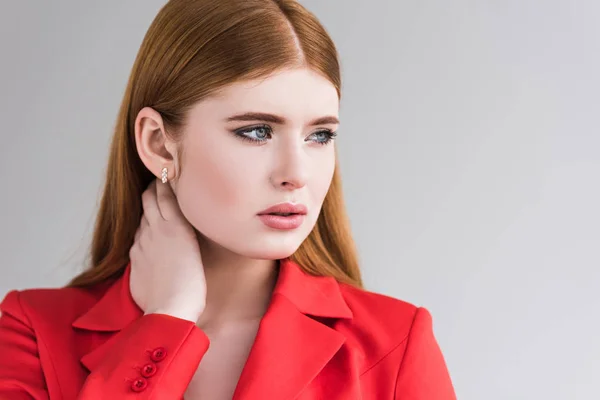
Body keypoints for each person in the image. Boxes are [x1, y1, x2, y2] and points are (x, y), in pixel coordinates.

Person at [0, 0, 456, 398]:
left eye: (320, 135)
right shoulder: (33, 333)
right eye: (256, 131)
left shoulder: (396, 346)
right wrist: (167, 320)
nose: (296, 174)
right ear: (158, 144)